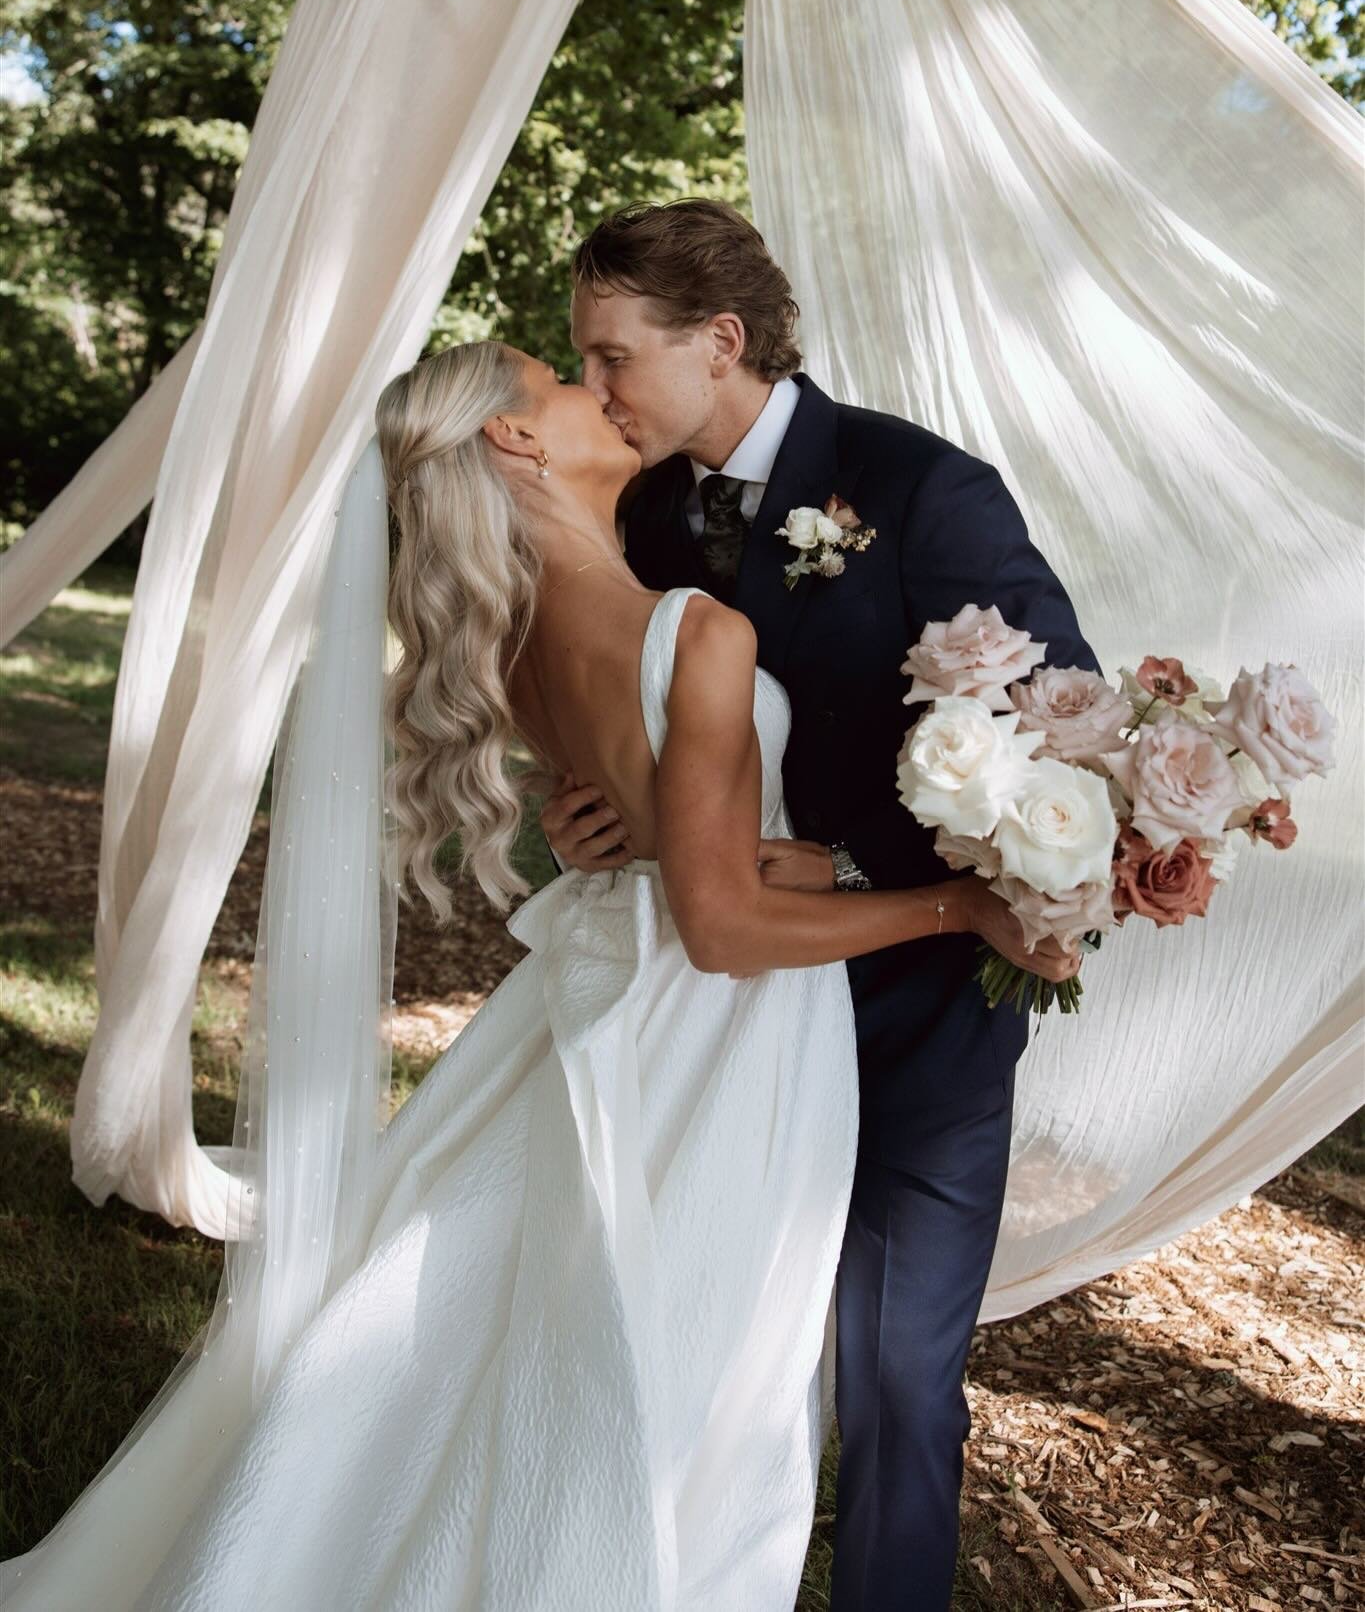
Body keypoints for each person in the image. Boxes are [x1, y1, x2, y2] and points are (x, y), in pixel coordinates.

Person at [0, 336, 1075, 1611]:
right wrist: (960, 903)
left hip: (591, 1003)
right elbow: (721, 924)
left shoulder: (511, 638)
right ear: (516, 440)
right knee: (684, 1368)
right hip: (715, 1038)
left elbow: (666, 846)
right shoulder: (697, 631)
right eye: (564, 380)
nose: (598, 392)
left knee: (500, 1331)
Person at [542, 198, 1103, 1610]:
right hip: (721, 1010)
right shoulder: (646, 510)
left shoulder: (921, 488)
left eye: (611, 356)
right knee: (692, 1345)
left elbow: (1062, 736)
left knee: (900, 1380)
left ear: (719, 339)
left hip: (920, 1016)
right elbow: (657, 728)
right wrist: (596, 809)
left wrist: (855, 863)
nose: (592, 391)